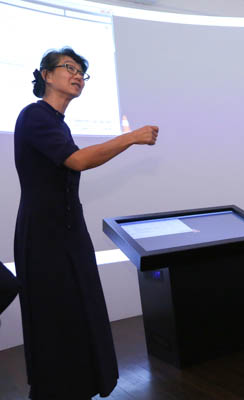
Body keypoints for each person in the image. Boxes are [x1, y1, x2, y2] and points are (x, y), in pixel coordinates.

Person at [14, 47, 158, 399]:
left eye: (82, 71)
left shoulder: (57, 123)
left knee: (80, 310)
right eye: (69, 68)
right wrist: (131, 137)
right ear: (46, 75)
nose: (78, 75)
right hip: (43, 237)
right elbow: (76, 161)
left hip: (68, 231)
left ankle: (78, 388)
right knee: (54, 317)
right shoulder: (34, 115)